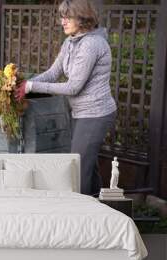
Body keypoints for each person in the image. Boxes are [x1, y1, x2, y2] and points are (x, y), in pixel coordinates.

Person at [15, 0, 117, 196]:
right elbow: (53, 73)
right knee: (87, 166)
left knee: (77, 168)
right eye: (62, 17)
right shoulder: (71, 41)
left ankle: (80, 214)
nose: (63, 21)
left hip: (96, 113)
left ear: (83, 18)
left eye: (68, 17)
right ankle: (99, 207)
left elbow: (73, 87)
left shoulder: (92, 44)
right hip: (81, 112)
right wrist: (26, 85)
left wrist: (31, 86)